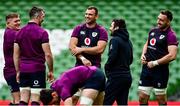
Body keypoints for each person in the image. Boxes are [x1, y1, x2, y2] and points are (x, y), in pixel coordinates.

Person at [13, 6, 54, 105]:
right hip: (37, 70)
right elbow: (48, 54)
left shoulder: (19, 33)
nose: (43, 19)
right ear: (38, 16)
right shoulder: (42, 32)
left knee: (23, 100)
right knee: (35, 99)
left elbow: (16, 55)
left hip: (23, 69)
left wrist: (18, 71)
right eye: (43, 16)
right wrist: (51, 70)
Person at [138, 10, 179, 105]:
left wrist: (155, 63)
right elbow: (147, 43)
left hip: (160, 71)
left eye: (161, 20)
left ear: (168, 22)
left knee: (160, 99)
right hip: (146, 69)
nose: (158, 21)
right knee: (142, 97)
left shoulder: (171, 35)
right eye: (158, 19)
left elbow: (172, 55)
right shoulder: (153, 30)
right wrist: (143, 54)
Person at [40, 65, 105, 105]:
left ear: (53, 95)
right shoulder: (54, 87)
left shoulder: (62, 90)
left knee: (84, 104)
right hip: (95, 74)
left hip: (93, 76)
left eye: (53, 102)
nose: (55, 104)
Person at [103, 19, 133, 105]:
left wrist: (107, 66)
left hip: (116, 77)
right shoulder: (129, 41)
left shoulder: (115, 40)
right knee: (122, 103)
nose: (109, 28)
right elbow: (131, 59)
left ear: (116, 28)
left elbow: (112, 56)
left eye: (111, 26)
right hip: (127, 76)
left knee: (105, 102)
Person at [3, 13, 21, 105]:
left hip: (11, 71)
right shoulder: (11, 33)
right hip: (12, 71)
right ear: (8, 23)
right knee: (19, 100)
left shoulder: (10, 32)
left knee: (15, 100)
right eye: (15, 21)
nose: (18, 22)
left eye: (19, 20)